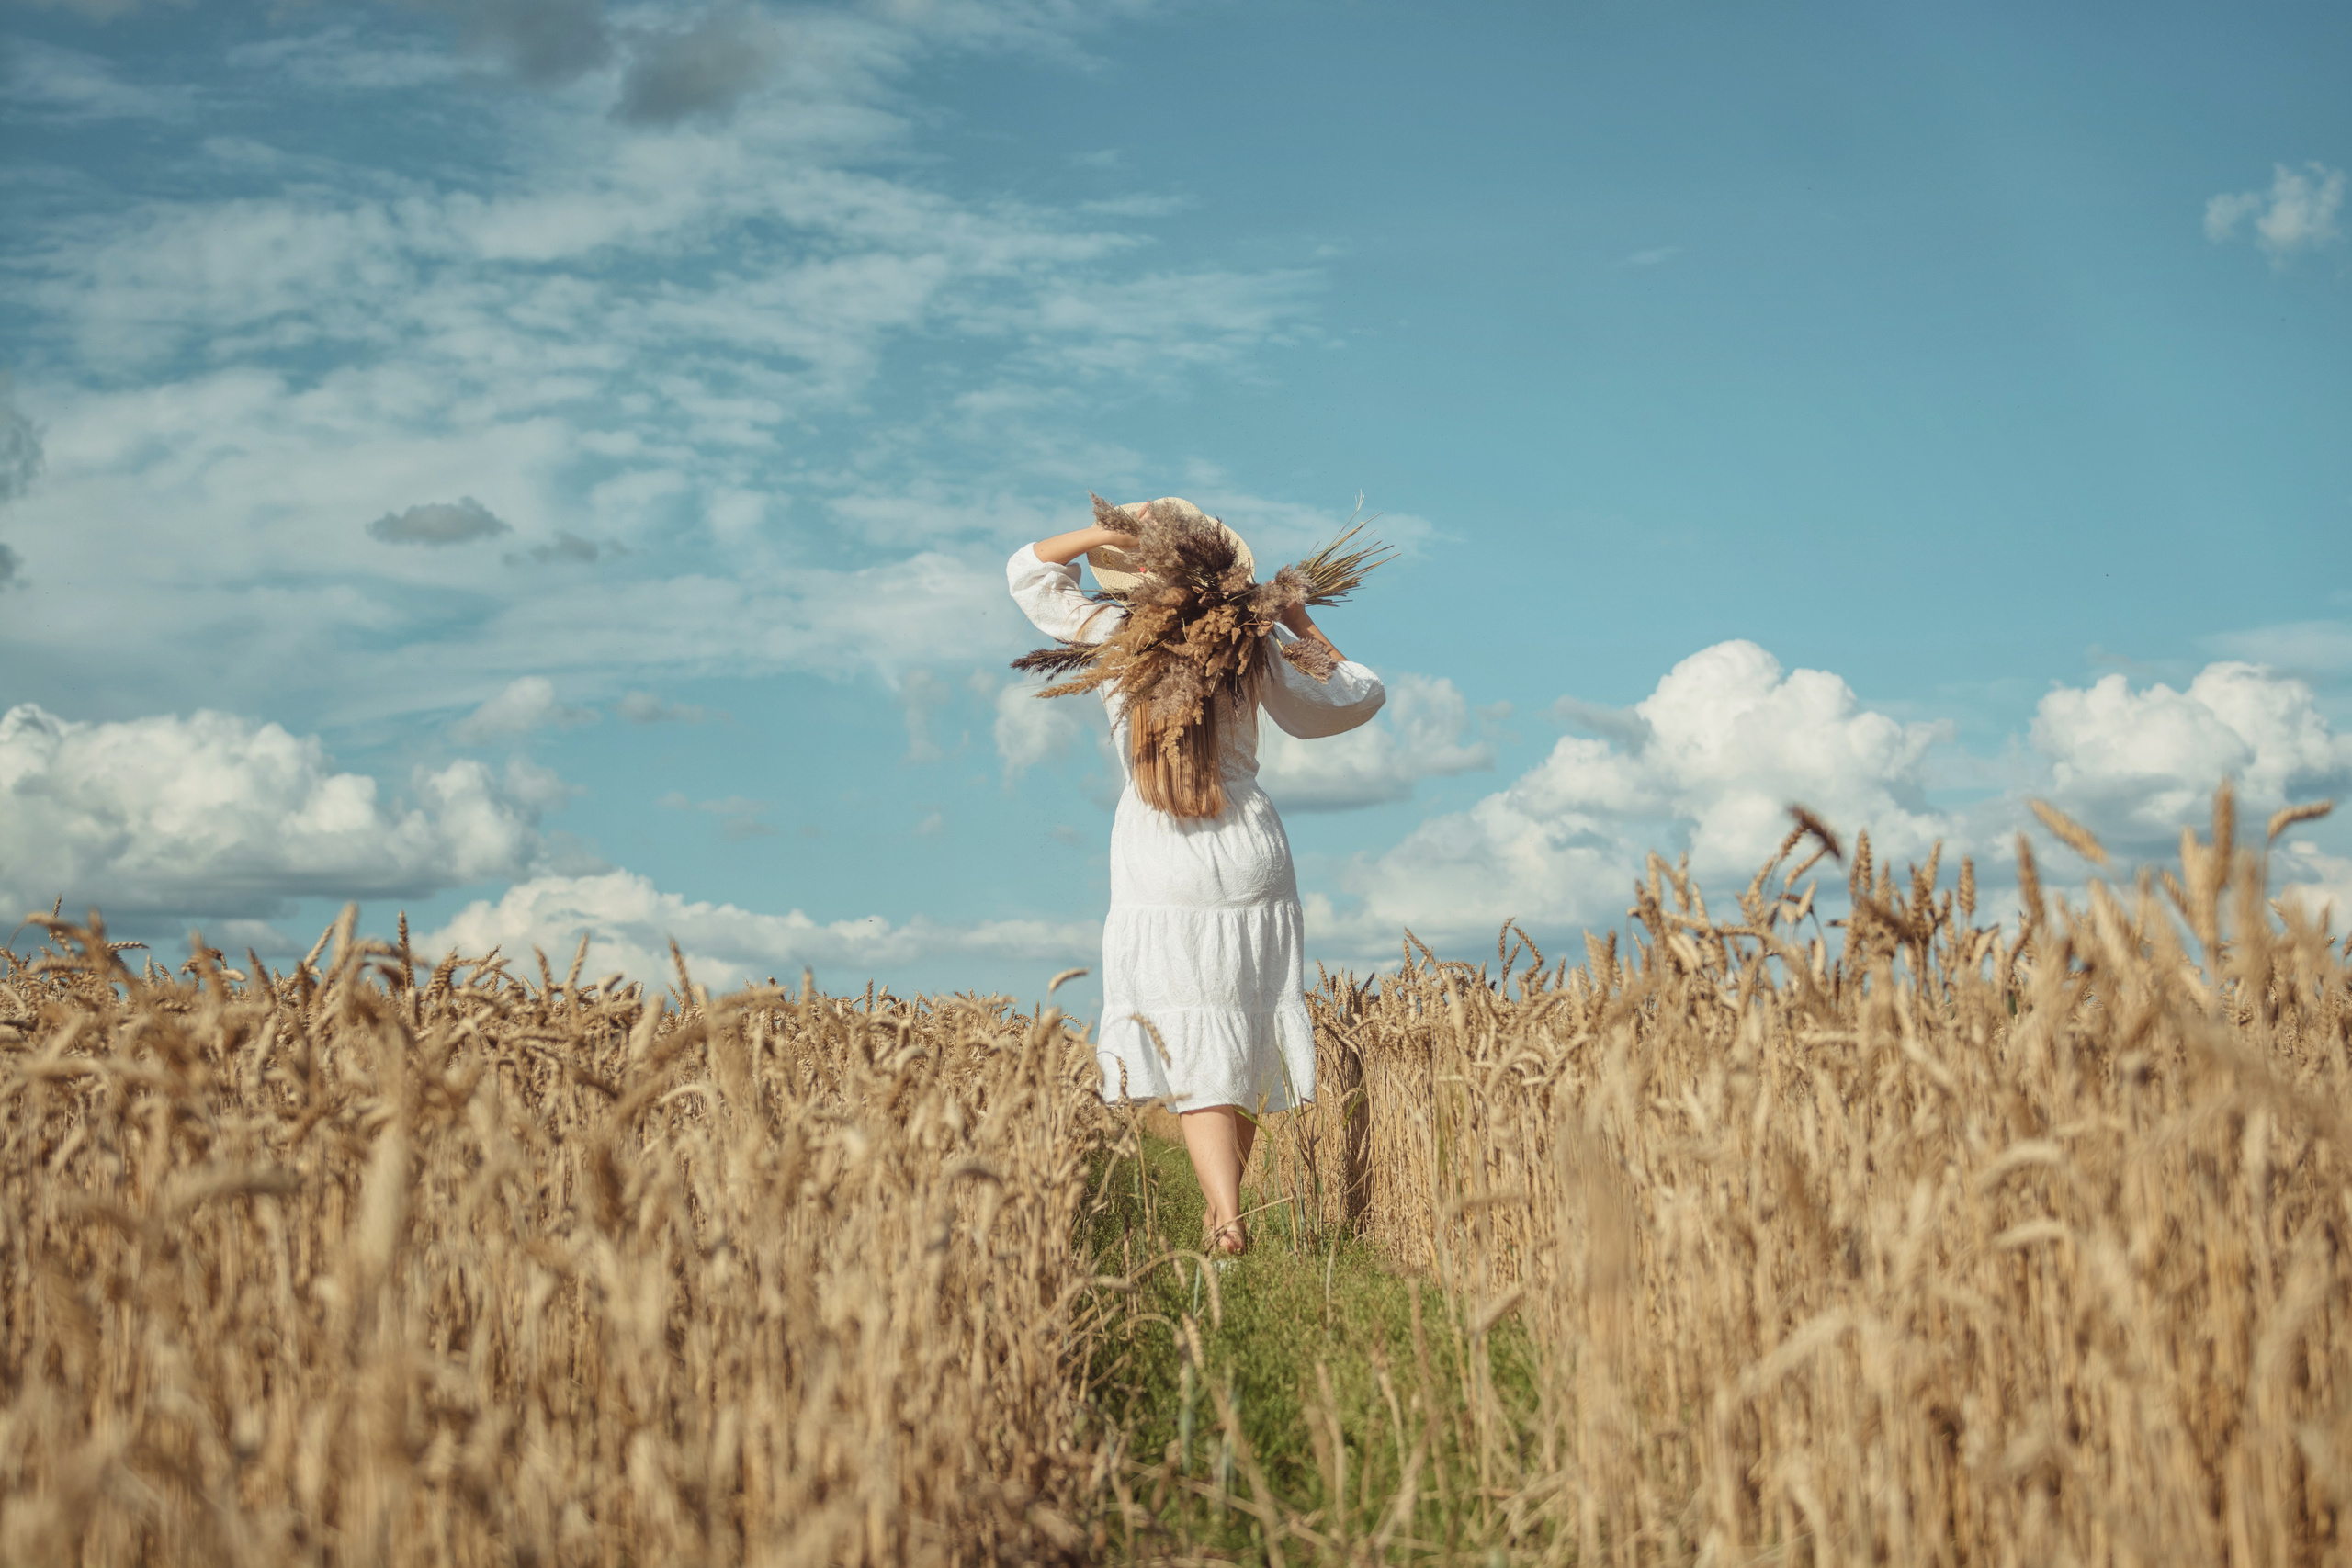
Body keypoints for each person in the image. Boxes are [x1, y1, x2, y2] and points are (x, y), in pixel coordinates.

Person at [1007, 497, 1386, 1257]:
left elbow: (1028, 572)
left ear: (1140, 574)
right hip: (1248, 845)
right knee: (1240, 1027)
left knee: (1190, 1031)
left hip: (1159, 847)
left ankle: (1225, 1215)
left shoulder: (1117, 632)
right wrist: (1298, 618)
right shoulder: (1255, 642)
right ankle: (1225, 1206)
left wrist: (1108, 531)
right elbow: (1355, 693)